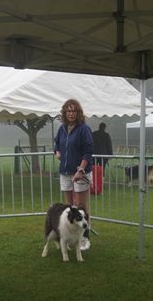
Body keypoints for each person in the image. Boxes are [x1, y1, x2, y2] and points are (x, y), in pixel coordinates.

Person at [54, 99, 93, 250]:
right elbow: (57, 144)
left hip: (80, 172)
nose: (71, 114)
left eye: (74, 111)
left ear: (78, 113)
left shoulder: (84, 129)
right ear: (64, 112)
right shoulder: (62, 128)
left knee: (82, 207)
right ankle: (71, 238)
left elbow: (88, 151)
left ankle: (84, 238)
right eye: (68, 111)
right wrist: (57, 152)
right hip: (65, 172)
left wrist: (81, 170)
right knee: (70, 207)